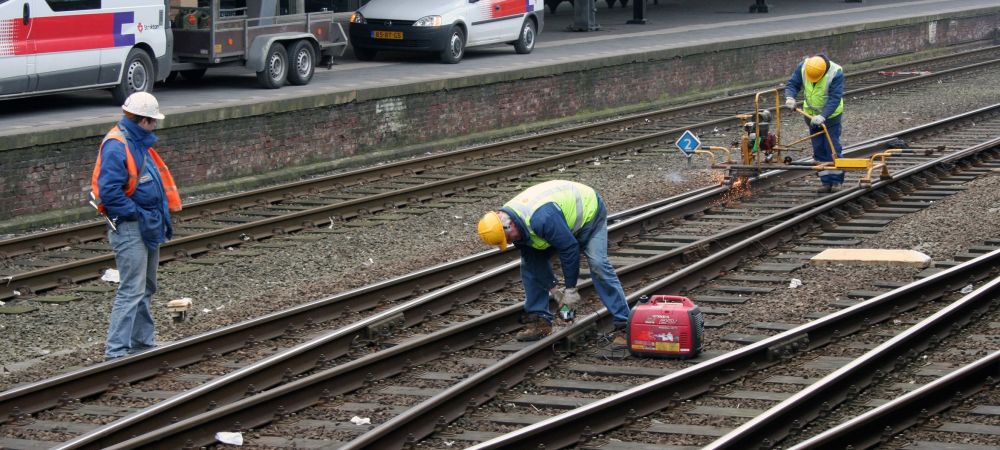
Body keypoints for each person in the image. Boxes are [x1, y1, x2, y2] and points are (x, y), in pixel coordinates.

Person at [476, 180, 630, 346]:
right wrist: (555, 291)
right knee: (528, 266)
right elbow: (535, 260)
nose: (510, 241)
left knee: (598, 264)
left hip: (588, 215)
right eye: (505, 241)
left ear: (510, 225)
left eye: (508, 238)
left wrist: (570, 290)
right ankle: (540, 321)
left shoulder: (541, 219)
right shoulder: (510, 224)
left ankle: (624, 324)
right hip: (559, 223)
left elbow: (569, 249)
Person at [91, 92, 182, 360]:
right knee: (131, 290)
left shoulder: (137, 142)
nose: (156, 125)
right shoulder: (118, 145)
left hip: (146, 224)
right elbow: (109, 193)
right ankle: (116, 353)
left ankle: (142, 344)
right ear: (143, 121)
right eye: (153, 121)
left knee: (146, 287)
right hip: (132, 227)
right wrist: (139, 214)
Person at [784, 54, 845, 193]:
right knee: (819, 150)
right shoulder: (804, 67)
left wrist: (823, 115)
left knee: (832, 149)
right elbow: (793, 84)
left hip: (831, 118)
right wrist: (790, 97)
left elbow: (835, 98)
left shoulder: (836, 72)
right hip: (810, 116)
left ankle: (836, 182)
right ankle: (826, 182)